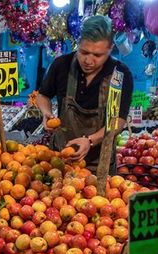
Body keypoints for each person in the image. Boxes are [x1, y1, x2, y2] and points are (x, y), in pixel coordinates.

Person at [36, 15, 133, 173]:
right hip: (62, 159)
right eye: (84, 52)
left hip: (100, 164)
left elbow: (119, 121)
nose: (88, 60)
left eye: (97, 55)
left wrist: (90, 140)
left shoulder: (120, 74)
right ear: (78, 44)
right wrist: (46, 112)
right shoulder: (62, 65)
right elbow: (43, 95)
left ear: (109, 49)